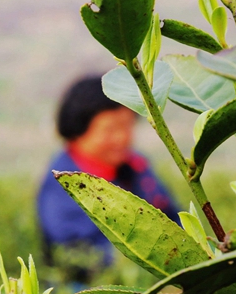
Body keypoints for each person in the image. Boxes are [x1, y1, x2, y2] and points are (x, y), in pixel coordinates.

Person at [37, 75, 179, 274]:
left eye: (127, 126)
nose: (122, 138)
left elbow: (170, 214)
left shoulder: (136, 166)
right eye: (110, 129)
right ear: (78, 130)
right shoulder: (63, 182)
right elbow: (76, 253)